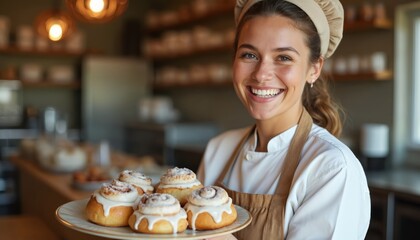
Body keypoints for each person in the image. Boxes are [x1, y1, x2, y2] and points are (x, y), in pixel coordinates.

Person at [196, 0, 371, 239]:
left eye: (284, 58)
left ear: (314, 69)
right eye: (249, 54)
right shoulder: (219, 149)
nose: (261, 74)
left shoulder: (332, 169)